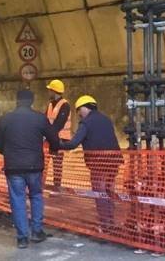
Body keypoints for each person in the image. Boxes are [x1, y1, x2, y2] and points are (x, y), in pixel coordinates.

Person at [0, 90, 60, 248]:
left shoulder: (5, 119)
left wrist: (10, 153)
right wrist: (54, 149)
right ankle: (37, 231)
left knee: (17, 200)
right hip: (34, 166)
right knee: (36, 195)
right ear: (31, 101)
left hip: (13, 167)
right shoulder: (39, 118)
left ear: (17, 101)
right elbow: (54, 138)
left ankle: (22, 238)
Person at [60, 95, 123, 230]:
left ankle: (105, 224)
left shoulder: (86, 123)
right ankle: (111, 221)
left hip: (98, 164)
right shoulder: (106, 119)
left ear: (84, 107)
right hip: (114, 161)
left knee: (100, 193)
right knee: (109, 191)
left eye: (78, 111)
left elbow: (73, 143)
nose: (78, 115)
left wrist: (58, 144)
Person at [44, 79, 71, 188]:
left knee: (57, 164)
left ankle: (57, 186)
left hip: (60, 139)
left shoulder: (65, 105)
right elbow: (45, 119)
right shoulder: (50, 104)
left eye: (50, 90)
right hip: (50, 138)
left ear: (54, 91)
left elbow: (59, 123)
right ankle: (41, 183)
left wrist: (47, 134)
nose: (48, 92)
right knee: (44, 162)